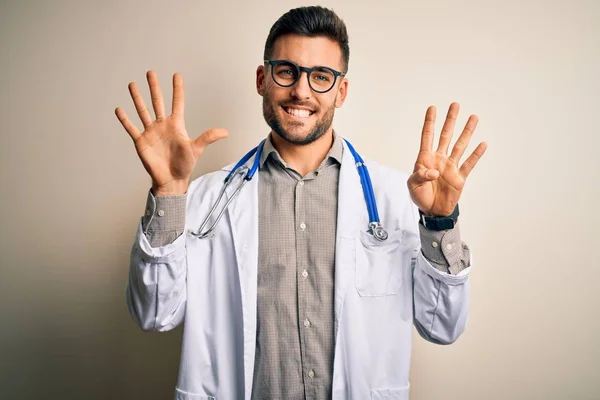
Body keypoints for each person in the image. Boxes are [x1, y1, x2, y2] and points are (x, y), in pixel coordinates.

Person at [115, 6, 487, 400]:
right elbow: (154, 314)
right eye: (286, 71)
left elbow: (442, 325)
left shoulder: (395, 195)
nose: (302, 91)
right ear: (263, 79)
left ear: (341, 91)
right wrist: (170, 193)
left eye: (321, 76)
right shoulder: (205, 199)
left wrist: (440, 220)